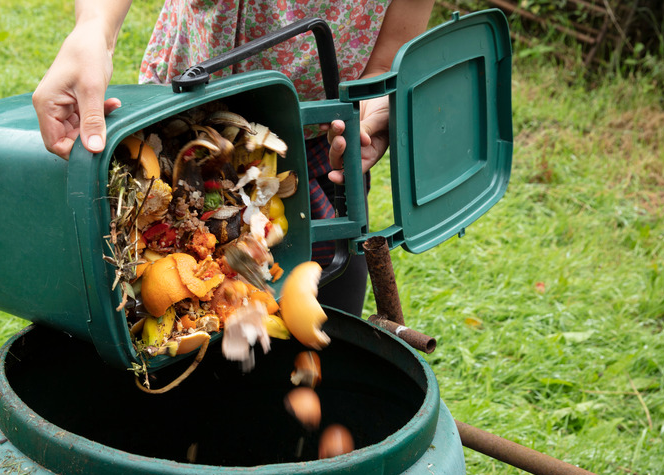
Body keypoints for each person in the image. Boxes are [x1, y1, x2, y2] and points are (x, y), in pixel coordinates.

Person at [33, 0, 434, 316]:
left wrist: (375, 102)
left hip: (318, 144)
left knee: (323, 290)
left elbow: (388, 57)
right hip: (179, 128)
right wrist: (94, 29)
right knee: (148, 288)